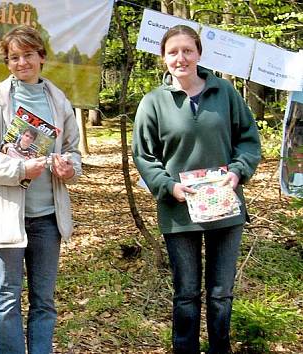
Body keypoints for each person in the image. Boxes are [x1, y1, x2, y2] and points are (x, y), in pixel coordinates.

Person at [132, 25, 261, 354]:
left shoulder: (225, 93)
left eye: (187, 50)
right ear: (163, 58)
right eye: (173, 52)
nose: (181, 58)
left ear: (199, 53)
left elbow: (248, 141)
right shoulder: (153, 103)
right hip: (179, 211)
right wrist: (168, 187)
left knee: (221, 293)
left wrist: (237, 173)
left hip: (226, 208)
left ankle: (221, 348)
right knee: (186, 293)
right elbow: (144, 157)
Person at [0, 25, 82, 354]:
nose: (21, 62)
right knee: (7, 299)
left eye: (28, 55)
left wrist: (69, 167)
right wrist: (19, 169)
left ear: (41, 57)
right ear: (7, 62)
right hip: (6, 218)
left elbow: (74, 150)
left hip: (48, 218)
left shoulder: (58, 101)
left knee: (44, 301)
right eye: (14, 57)